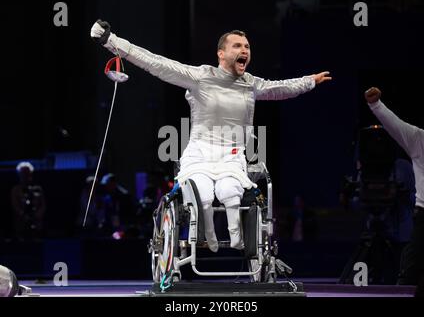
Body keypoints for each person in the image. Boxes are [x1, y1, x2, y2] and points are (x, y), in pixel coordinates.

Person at [91, 20, 332, 252]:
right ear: (221, 54)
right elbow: (156, 63)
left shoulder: (250, 83)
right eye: (237, 46)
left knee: (229, 191)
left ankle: (236, 235)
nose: (244, 50)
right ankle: (207, 235)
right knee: (202, 193)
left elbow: (281, 89)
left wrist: (308, 81)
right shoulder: (200, 76)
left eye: (247, 46)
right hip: (200, 152)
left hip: (232, 155)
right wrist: (111, 41)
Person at [365, 87, 424, 296]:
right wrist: (376, 105)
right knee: (410, 273)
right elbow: (395, 126)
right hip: (423, 221)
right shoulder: (419, 139)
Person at [10, 162, 46, 240]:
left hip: (36, 224)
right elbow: (15, 206)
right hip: (21, 224)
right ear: (19, 175)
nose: (26, 175)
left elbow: (43, 205)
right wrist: (24, 215)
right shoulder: (15, 190)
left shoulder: (38, 189)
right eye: (23, 173)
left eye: (27, 173)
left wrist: (37, 215)